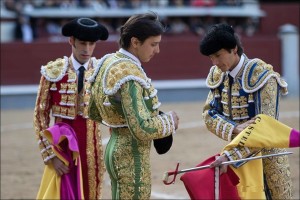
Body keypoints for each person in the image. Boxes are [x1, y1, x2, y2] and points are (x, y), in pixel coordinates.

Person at [89, 12, 179, 199]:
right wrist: (169, 121)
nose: (157, 50)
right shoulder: (129, 73)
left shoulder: (108, 61)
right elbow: (142, 128)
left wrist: (117, 121)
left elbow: (94, 110)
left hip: (114, 147)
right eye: (153, 44)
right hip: (131, 155)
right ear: (135, 42)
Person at [199, 23, 292, 199]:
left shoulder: (262, 75)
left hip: (268, 161)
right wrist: (234, 128)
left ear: (234, 49)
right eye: (211, 58)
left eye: (218, 55)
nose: (215, 63)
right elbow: (208, 115)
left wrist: (229, 156)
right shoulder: (218, 75)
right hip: (237, 163)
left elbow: (265, 128)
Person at [33, 17, 109, 199]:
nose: (87, 49)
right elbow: (40, 114)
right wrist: (50, 154)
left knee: (91, 193)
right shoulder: (53, 72)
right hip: (63, 149)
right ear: (71, 41)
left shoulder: (102, 71)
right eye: (83, 43)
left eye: (92, 44)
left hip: (92, 148)